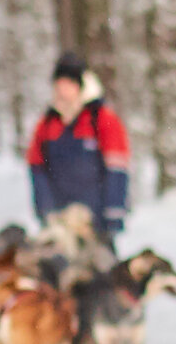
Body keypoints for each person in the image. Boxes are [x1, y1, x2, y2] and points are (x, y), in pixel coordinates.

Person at [27, 53, 132, 241]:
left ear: (80, 87)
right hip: (59, 222)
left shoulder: (101, 118)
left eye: (68, 85)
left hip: (96, 222)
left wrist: (114, 211)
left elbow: (117, 168)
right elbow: (37, 168)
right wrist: (46, 210)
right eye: (59, 85)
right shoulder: (47, 124)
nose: (62, 90)